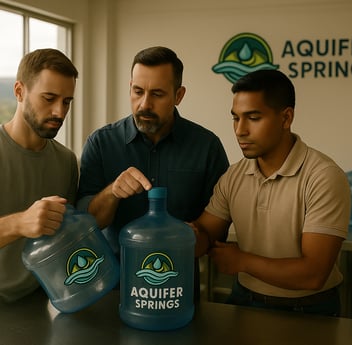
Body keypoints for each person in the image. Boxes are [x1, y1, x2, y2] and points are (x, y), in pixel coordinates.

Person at [192, 69, 351, 316]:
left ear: (286, 118)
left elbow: (314, 274)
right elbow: (204, 232)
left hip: (308, 309)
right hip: (243, 299)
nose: (240, 130)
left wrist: (243, 261)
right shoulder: (234, 176)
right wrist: (181, 237)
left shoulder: (324, 176)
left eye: (253, 118)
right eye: (235, 118)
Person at [76, 46, 229, 298]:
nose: (145, 104)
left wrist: (194, 236)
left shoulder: (207, 147)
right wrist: (113, 193)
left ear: (178, 95)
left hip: (177, 292)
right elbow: (85, 223)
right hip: (112, 290)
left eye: (157, 94)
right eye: (138, 92)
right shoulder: (101, 143)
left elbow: (218, 229)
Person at [0, 48, 79, 303]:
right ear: (19, 91)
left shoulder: (67, 161)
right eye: (49, 98)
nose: (59, 111)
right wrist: (19, 223)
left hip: (39, 305)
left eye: (66, 101)